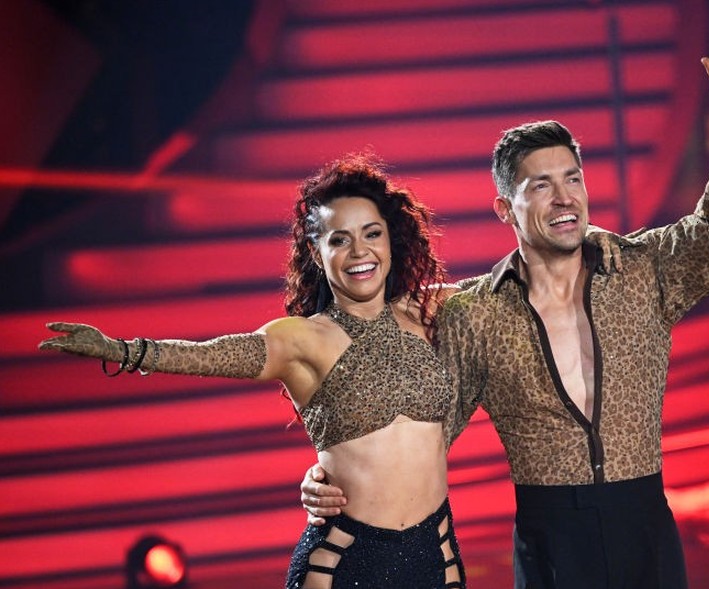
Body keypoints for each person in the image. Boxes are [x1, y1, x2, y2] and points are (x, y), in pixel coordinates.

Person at [301, 20, 709, 589]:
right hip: (551, 540)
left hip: (645, 526)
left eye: (572, 178)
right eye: (541, 185)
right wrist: (334, 471)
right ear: (505, 208)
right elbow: (422, 428)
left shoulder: (642, 269)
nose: (564, 198)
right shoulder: (475, 314)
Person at [38, 154, 468, 589]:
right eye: (339, 240)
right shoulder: (302, 339)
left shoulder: (430, 311)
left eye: (371, 234)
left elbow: (516, 286)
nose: (360, 251)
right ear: (317, 255)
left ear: (392, 239)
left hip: (436, 556)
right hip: (344, 564)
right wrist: (120, 350)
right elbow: (211, 355)